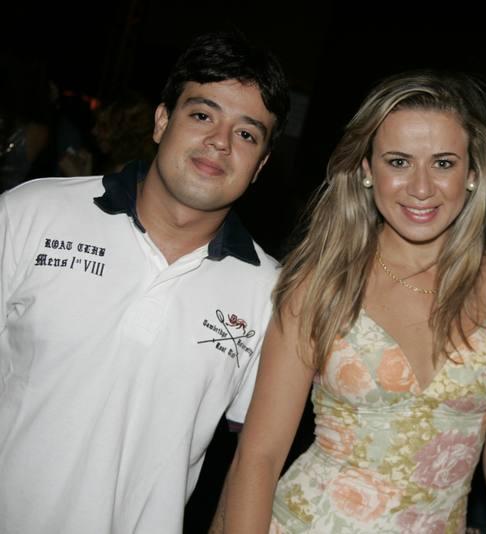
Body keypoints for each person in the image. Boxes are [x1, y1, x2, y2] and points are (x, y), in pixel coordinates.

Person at [212, 71, 486, 533]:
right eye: (398, 162)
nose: (421, 187)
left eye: (443, 163)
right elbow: (259, 457)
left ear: (472, 174)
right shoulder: (321, 284)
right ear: (366, 170)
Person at [0, 31, 290, 533]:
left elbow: (252, 463)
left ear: (261, 164)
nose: (220, 142)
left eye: (247, 134)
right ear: (161, 122)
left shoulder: (271, 295)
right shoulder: (32, 213)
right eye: (202, 115)